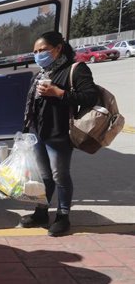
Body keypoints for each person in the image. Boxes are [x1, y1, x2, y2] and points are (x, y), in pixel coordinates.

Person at [20, 31, 99, 236]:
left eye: (43, 50)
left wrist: (59, 93)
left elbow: (90, 97)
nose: (38, 54)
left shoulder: (75, 69)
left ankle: (63, 217)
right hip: (40, 132)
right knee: (44, 176)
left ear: (58, 48)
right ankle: (41, 212)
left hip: (59, 132)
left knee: (60, 176)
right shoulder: (42, 72)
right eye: (35, 51)